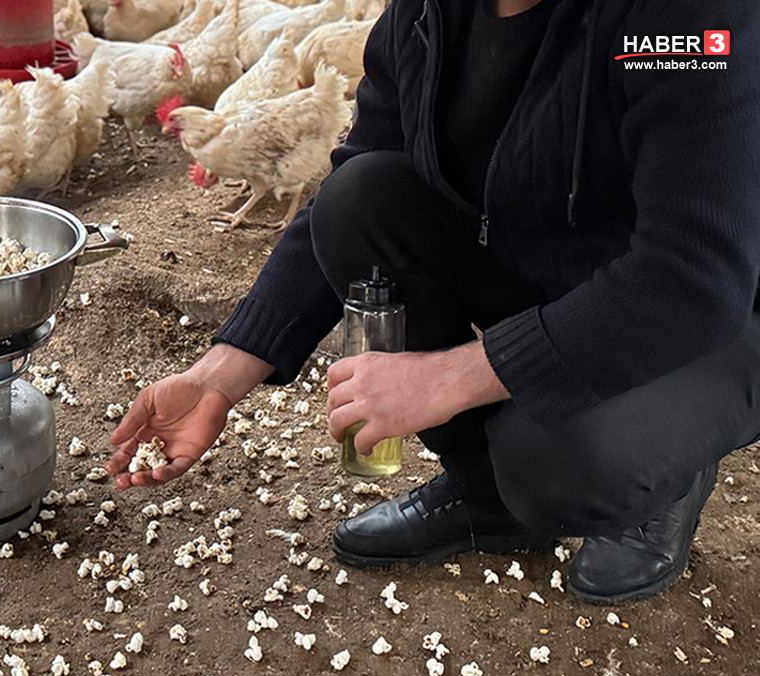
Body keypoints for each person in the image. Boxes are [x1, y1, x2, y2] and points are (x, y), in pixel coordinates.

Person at [106, 0, 760, 605]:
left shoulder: (686, 17)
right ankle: (487, 496)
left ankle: (665, 473)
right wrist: (217, 377)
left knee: (555, 463)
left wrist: (455, 376)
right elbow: (364, 165)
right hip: (563, 266)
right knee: (359, 201)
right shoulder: (428, 9)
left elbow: (693, 274)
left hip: (708, 313)